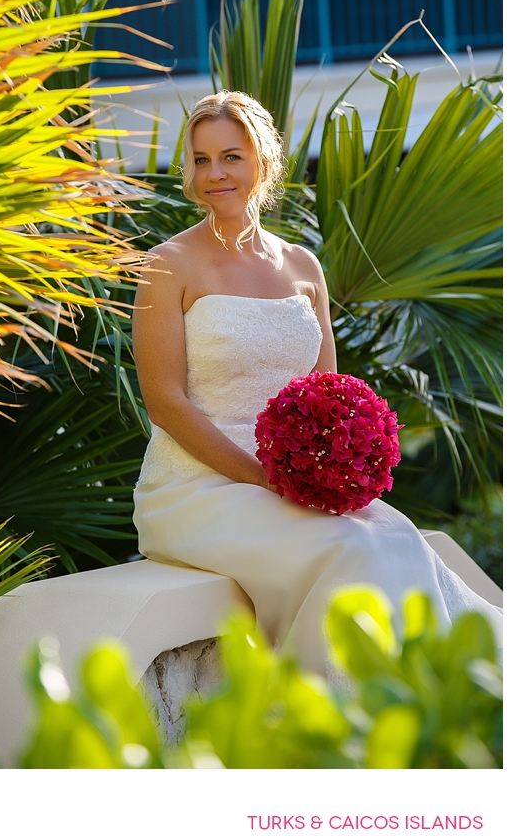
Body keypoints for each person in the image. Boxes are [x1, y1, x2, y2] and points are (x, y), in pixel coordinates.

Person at [132, 90, 501, 681]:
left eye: (232, 155)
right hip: (196, 487)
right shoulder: (168, 265)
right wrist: (266, 477)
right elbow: (166, 404)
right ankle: (331, 712)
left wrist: (333, 473)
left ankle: (428, 701)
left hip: (287, 482)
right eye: (201, 160)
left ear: (265, 162)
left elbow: (330, 393)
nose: (215, 174)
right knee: (348, 549)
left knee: (397, 536)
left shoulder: (303, 266)